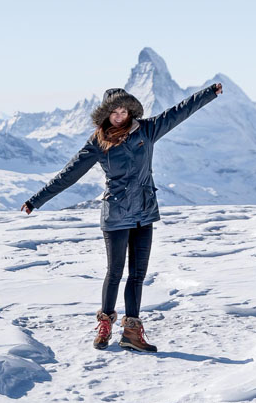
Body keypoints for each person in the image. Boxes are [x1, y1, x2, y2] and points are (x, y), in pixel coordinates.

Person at [21, 81, 223, 353]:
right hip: (116, 215)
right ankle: (105, 324)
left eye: (124, 111)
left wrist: (209, 92)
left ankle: (131, 332)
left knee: (137, 275)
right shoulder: (97, 142)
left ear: (131, 112)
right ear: (106, 115)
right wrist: (37, 200)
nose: (119, 116)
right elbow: (68, 174)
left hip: (144, 212)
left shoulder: (148, 130)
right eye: (114, 112)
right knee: (115, 272)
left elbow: (180, 111)